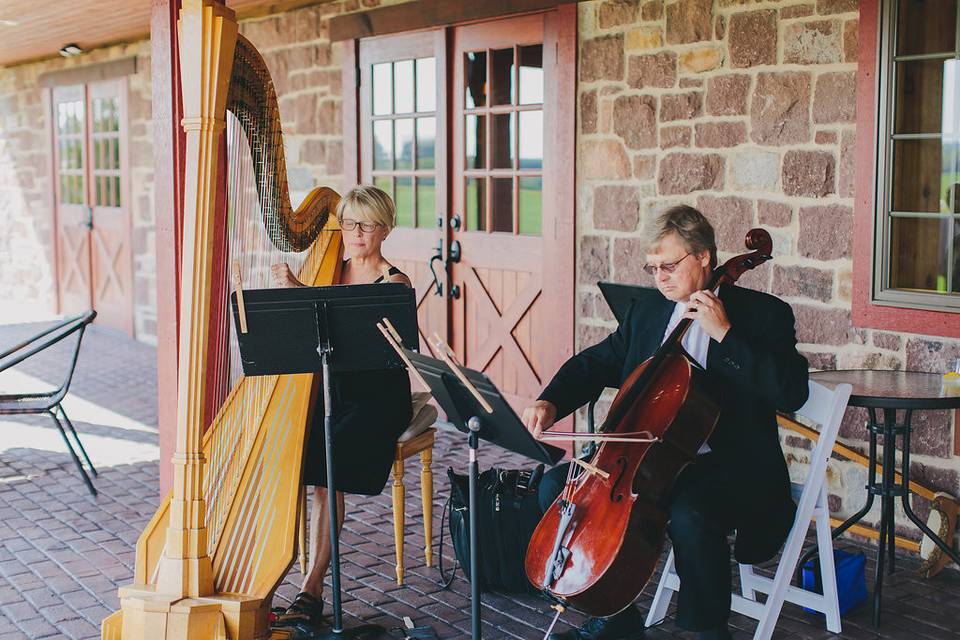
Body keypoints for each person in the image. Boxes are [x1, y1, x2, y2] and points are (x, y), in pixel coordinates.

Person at [522, 205, 809, 640]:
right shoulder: (648, 312)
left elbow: (791, 392)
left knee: (690, 512)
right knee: (555, 488)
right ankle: (614, 617)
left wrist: (725, 334)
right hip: (650, 463)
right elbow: (597, 363)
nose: (660, 277)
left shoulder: (763, 314)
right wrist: (550, 401)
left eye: (669, 265)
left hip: (733, 466)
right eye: (653, 267)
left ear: (704, 258)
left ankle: (709, 631)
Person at [270, 185, 413, 637]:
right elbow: (310, 335)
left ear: (385, 230)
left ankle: (311, 590)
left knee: (327, 460)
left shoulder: (395, 283)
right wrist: (297, 295)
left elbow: (373, 347)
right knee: (297, 453)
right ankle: (289, 571)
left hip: (378, 395)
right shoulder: (331, 268)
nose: (355, 233)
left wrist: (305, 294)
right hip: (336, 389)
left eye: (367, 225)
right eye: (349, 222)